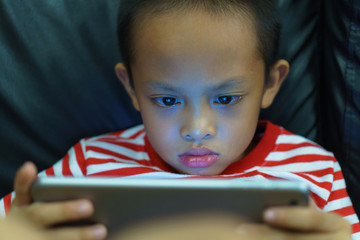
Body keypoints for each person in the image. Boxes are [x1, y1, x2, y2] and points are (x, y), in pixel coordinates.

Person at [0, 0, 359, 239]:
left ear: (270, 83)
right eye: (168, 99)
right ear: (132, 88)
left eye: (226, 98)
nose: (197, 130)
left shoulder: (315, 169)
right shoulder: (90, 164)